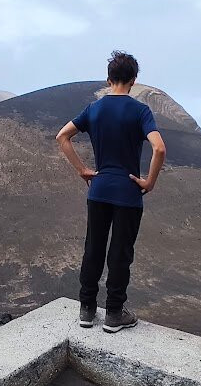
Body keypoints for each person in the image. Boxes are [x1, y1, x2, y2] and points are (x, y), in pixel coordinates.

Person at [55, 51, 167, 333]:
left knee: (93, 247)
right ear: (133, 80)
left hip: (99, 190)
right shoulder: (140, 111)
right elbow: (159, 148)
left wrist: (82, 170)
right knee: (120, 252)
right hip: (128, 193)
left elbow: (62, 136)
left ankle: (86, 309)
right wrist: (149, 182)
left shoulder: (94, 109)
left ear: (109, 79)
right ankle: (114, 314)